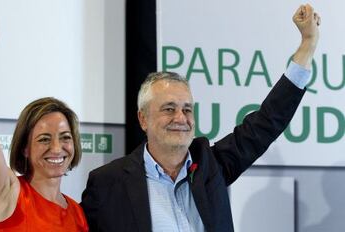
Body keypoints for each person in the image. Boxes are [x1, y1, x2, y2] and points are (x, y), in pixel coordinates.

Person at [81, 4, 320, 232]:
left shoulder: (210, 165)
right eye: (168, 108)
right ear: (143, 119)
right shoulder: (107, 183)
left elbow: (267, 121)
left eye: (187, 109)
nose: (180, 117)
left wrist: (308, 45)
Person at [0, 3, 88, 231]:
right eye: (44, 138)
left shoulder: (77, 212)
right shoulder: (9, 192)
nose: (57, 148)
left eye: (65, 137)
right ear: (25, 147)